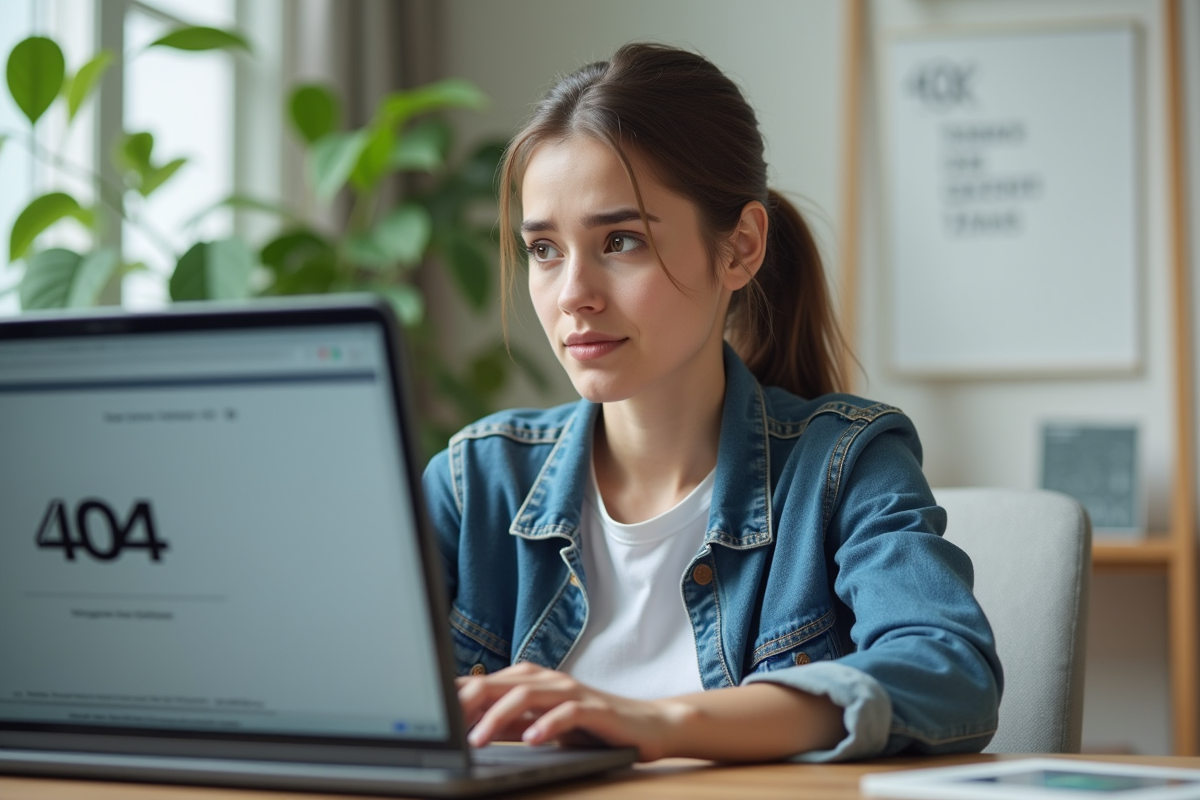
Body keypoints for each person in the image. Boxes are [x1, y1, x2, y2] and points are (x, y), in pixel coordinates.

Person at [421, 42, 1002, 763]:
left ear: (740, 248)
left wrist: (652, 723)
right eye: (544, 250)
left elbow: (949, 670)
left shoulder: (846, 465)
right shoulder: (472, 480)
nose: (573, 294)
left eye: (621, 240)